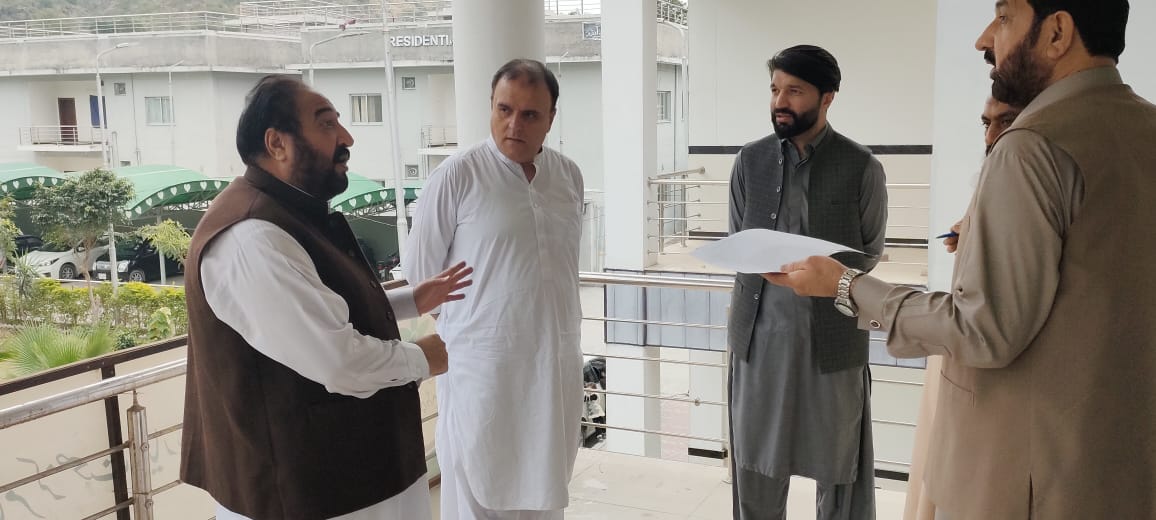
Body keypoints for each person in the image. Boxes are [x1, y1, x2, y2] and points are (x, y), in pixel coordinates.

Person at [767, 1, 1156, 518]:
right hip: (1119, 469)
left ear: (1057, 32)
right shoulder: (1142, 126)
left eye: (1004, 17)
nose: (984, 39)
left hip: (1023, 480)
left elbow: (983, 329)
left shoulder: (1031, 147)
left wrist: (845, 285)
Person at [180, 75, 472, 520]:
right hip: (306, 493)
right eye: (327, 124)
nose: (347, 138)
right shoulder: (250, 237)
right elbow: (338, 361)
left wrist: (410, 301)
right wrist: (426, 357)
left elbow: (315, 311)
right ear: (277, 143)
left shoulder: (289, 214)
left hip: (351, 480)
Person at [404, 59, 584, 519]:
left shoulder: (568, 177)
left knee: (545, 498)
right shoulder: (457, 175)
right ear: (491, 106)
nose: (514, 124)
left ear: (551, 119)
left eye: (530, 114)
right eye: (504, 109)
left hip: (552, 372)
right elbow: (421, 278)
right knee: (478, 495)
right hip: (483, 375)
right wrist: (480, 327)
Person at [726, 45, 888, 520]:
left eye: (794, 91)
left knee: (840, 473)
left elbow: (869, 252)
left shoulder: (861, 166)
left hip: (833, 344)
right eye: (775, 89)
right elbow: (739, 239)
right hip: (759, 344)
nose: (780, 101)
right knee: (755, 471)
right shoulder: (749, 161)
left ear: (827, 97)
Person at [907, 93, 1022, 520]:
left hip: (991, 366)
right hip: (955, 353)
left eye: (1005, 122)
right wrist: (968, 231)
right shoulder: (994, 178)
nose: (991, 136)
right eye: (986, 124)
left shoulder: (1031, 179)